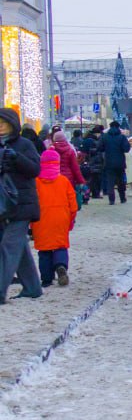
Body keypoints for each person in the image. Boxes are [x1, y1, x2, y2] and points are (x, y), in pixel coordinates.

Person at [0, 107, 42, 304]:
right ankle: (32, 287)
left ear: (12, 125)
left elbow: (35, 169)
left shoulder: (24, 144)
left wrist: (16, 159)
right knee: (19, 248)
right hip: (3, 204)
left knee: (8, 246)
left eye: (3, 123)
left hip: (22, 204)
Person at [31, 149, 78, 287]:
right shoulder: (64, 181)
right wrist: (71, 218)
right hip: (61, 217)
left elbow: (32, 201)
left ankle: (46, 278)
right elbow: (73, 203)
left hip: (41, 218)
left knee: (44, 249)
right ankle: (61, 265)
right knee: (60, 245)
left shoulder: (36, 182)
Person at [50, 130, 87, 207]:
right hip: (68, 179)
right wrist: (81, 181)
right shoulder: (70, 150)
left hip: (54, 178)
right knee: (68, 199)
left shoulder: (50, 150)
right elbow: (75, 168)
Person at [81, 125, 104, 199]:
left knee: (91, 179)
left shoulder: (86, 139)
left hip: (90, 162)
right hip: (95, 162)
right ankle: (95, 193)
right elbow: (97, 151)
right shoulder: (95, 141)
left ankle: (90, 193)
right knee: (96, 179)